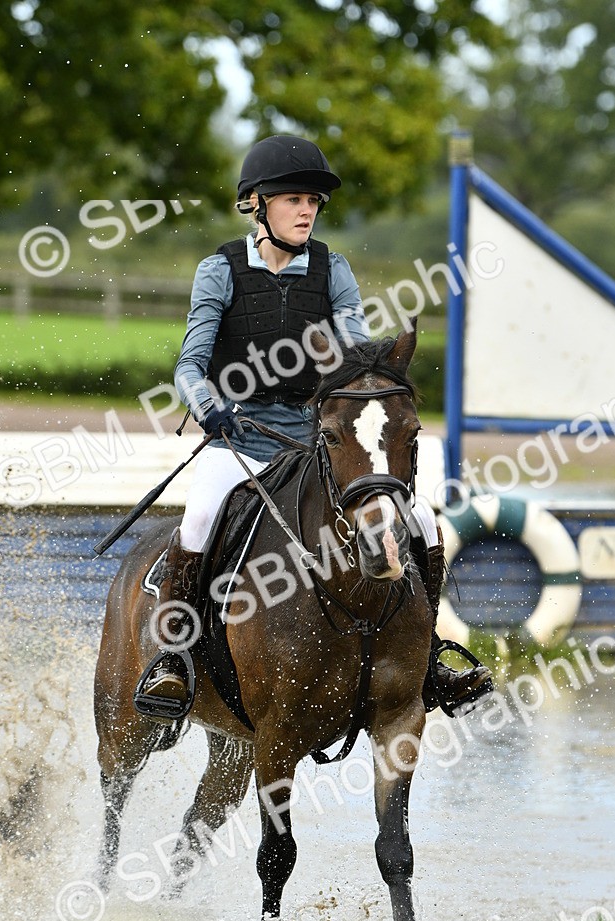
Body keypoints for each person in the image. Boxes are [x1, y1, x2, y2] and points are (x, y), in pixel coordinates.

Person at [134, 134, 491, 721]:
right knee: (198, 520)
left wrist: (372, 375)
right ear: (257, 204)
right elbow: (190, 365)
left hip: (313, 443)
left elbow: (350, 345)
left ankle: (427, 660)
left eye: (314, 202)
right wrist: (207, 404)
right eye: (295, 199)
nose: (307, 211)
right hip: (240, 442)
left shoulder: (333, 270)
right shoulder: (219, 269)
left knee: (422, 520)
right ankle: (175, 660)